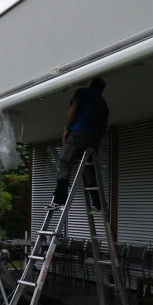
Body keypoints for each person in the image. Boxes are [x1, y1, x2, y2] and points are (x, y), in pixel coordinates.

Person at [50, 76, 109, 210]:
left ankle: (59, 200)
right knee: (89, 168)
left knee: (64, 163)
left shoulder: (83, 92)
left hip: (78, 133)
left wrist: (66, 129)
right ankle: (98, 202)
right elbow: (104, 124)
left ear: (91, 84)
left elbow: (73, 110)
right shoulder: (103, 103)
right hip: (94, 137)